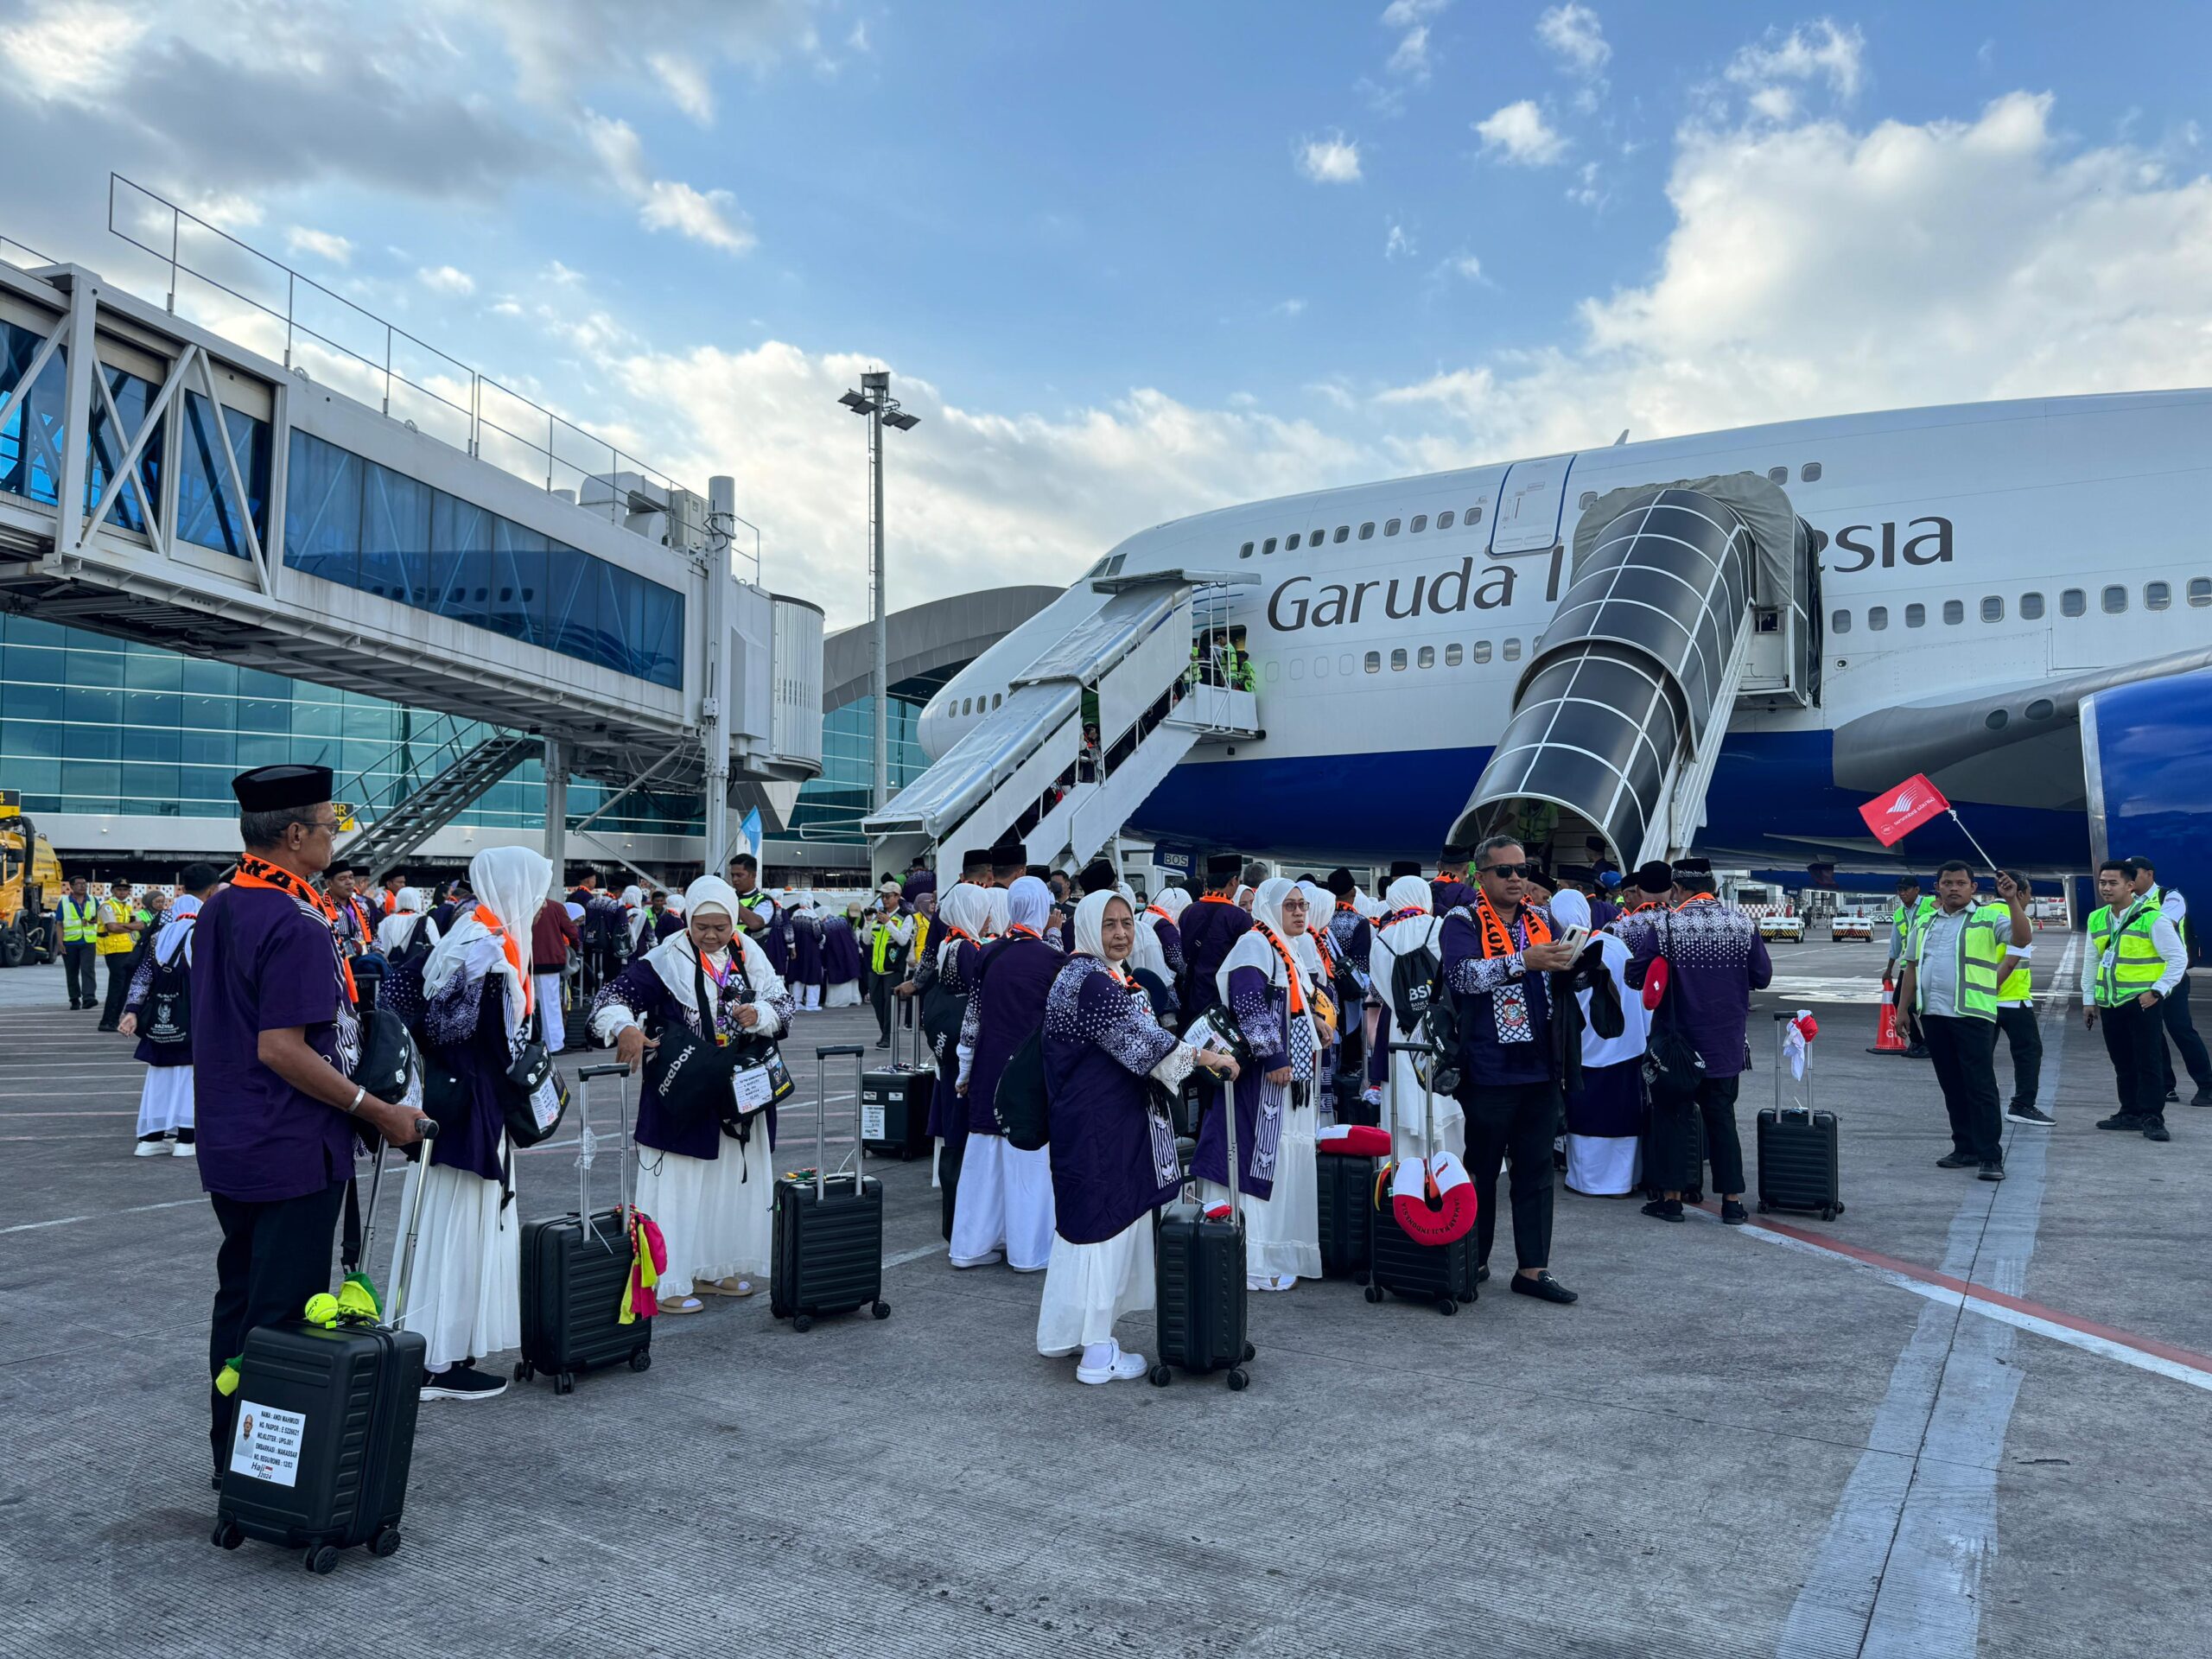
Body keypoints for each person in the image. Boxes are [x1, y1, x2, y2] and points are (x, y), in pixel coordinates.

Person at [195, 765, 423, 1478]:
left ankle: (230, 1450)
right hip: (290, 1147)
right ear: (294, 836)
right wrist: (378, 1111)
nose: (336, 836)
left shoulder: (226, 903)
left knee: (241, 1300)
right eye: (330, 826)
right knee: (283, 1315)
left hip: (233, 1141)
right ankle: (266, 1470)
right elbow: (283, 1048)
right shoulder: (293, 921)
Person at [1037, 889, 1240, 1383]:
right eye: (1109, 924)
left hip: (1093, 1122)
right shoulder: (1092, 982)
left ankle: (1077, 1333)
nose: (1122, 933)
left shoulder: (1083, 973)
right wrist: (1208, 1057)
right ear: (1088, 927)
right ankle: (1098, 1352)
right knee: (1105, 1228)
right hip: (1101, 1127)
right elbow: (1144, 1044)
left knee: (1085, 1228)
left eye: (1127, 923)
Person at [393, 845, 555, 1399]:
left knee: (445, 1224)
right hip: (475, 1110)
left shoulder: (466, 934)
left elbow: (406, 1000)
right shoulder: (490, 951)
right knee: (463, 1228)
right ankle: (441, 1360)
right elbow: (487, 1041)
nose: (539, 906)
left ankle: (433, 1350)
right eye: (536, 893)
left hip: (451, 1106)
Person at [591, 875, 794, 1313]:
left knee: (728, 1180)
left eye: (721, 926)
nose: (711, 935)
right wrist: (624, 1026)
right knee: (680, 1183)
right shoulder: (665, 959)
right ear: (688, 920)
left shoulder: (747, 952)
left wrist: (757, 1013)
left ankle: (713, 1268)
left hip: (738, 1090)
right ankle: (669, 1280)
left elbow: (783, 1003)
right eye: (702, 926)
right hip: (683, 1090)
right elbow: (611, 996)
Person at [1440, 836, 1580, 1303]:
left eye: (1523, 869)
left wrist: (1577, 964)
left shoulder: (1541, 919)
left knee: (1536, 1170)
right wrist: (1524, 961)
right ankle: (1473, 1260)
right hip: (1488, 1068)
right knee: (1480, 1169)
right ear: (1481, 876)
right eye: (1506, 871)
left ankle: (1532, 1269)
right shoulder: (1461, 921)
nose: (1518, 877)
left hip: (1540, 1066)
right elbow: (1462, 977)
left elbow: (1559, 972)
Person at [1621, 858, 1773, 1220]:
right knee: (1722, 1118)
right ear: (1714, 888)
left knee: (1672, 1117)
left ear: (1677, 889)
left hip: (1677, 1046)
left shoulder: (1665, 923)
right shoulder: (1741, 923)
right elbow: (1762, 976)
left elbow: (1634, 978)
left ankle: (1672, 1199)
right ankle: (1732, 1203)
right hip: (1725, 1044)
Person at [1194, 877, 1322, 1290]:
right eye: (1290, 906)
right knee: (1256, 1159)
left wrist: (1315, 1023)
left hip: (1286, 1084)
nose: (1299, 912)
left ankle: (1277, 1251)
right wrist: (1274, 1055)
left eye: (1303, 905)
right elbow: (1246, 1001)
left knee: (1278, 1161)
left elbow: (1292, 1004)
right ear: (1269, 907)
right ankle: (1254, 1258)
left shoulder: (1291, 949)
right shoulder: (1255, 943)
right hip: (1262, 1081)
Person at [951, 875, 1062, 1272]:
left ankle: (971, 1245)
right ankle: (1028, 1251)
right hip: (1030, 1073)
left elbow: (972, 1018)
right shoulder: (1053, 959)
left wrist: (964, 1069)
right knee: (1028, 1163)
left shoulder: (988, 953)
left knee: (984, 1161)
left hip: (988, 1066)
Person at [1897, 861, 2030, 1178]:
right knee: (1952, 1085)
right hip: (1934, 1015)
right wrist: (1903, 1010)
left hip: (1972, 1014)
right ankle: (1965, 1147)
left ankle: (1990, 1155)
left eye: (1960, 882)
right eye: (1947, 882)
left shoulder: (1989, 917)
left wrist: (2012, 900)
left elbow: (2022, 940)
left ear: (1973, 888)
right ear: (1938, 888)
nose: (1953, 887)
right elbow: (1912, 967)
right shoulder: (1925, 922)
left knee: (1980, 1086)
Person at [1550, 888, 1649, 1196]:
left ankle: (1588, 1182)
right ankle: (1624, 1180)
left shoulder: (1573, 954)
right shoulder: (1616, 944)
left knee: (1587, 1118)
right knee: (1623, 1118)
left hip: (1588, 1051)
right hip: (1628, 1048)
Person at [2082, 858, 2190, 1141]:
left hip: (2142, 1002)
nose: (2106, 888)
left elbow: (2178, 958)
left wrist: (2158, 990)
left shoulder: (2153, 918)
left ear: (2130, 886)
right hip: (2111, 1002)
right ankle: (2129, 1112)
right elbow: (2091, 963)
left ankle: (2153, 1116)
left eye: (2112, 883)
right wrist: (2088, 1000)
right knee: (2122, 1062)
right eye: (2102, 882)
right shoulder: (2097, 918)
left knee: (2148, 1061)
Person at [121, 862, 220, 1158]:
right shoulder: (205, 930)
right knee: (190, 1076)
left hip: (160, 1018)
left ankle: (150, 1139)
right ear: (212, 891)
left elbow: (142, 976)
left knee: (160, 1076)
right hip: (193, 1017)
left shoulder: (159, 934)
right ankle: (186, 1140)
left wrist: (131, 1010)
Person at [1367, 872, 1462, 1154]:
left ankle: (1407, 1174)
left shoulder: (1381, 939)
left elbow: (1378, 991)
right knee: (1445, 1098)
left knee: (1406, 1096)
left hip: (1402, 1029)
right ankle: (1451, 1175)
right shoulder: (1441, 926)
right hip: (1443, 1025)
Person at [2127, 855, 2212, 1106]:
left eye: (2135, 872)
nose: (2130, 878)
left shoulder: (2170, 898)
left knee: (2180, 1029)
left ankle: (2206, 1084)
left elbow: (2164, 924)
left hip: (2171, 976)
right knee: (2151, 1034)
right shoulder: (2128, 902)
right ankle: (2166, 1086)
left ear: (2149, 874)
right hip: (2142, 977)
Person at [1994, 868, 2050, 1127]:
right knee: (2029, 1052)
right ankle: (2023, 1104)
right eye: (2029, 894)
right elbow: (2012, 960)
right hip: (2012, 998)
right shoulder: (2019, 920)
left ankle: (1979, 1105)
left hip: (1980, 1001)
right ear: (2021, 893)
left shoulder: (1982, 914)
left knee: (1979, 1058)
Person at [1178, 854, 1253, 1025]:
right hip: (1221, 1001)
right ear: (1234, 881)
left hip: (1192, 996)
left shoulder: (1189, 911)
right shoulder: (1240, 918)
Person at [1885, 875, 1937, 1058]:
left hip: (1928, 962)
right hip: (1909, 965)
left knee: (1919, 1004)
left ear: (1917, 890)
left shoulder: (1930, 903)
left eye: (1906, 889)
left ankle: (1930, 1042)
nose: (1902, 893)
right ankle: (1918, 1041)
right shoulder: (1899, 913)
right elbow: (1896, 943)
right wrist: (1889, 968)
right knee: (1900, 1001)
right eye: (1900, 889)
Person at [530, 888, 582, 1052]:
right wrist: (574, 949)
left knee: (527, 1003)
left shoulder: (522, 905)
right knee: (550, 1002)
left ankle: (530, 1042)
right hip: (550, 960)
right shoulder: (555, 907)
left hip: (526, 961)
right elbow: (572, 932)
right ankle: (554, 1044)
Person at [865, 879, 914, 1047]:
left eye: (888, 896)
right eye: (883, 896)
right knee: (877, 1002)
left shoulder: (906, 917)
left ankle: (888, 1036)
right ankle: (885, 1033)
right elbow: (866, 940)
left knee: (890, 1005)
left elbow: (902, 940)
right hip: (876, 968)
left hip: (893, 969)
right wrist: (867, 922)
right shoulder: (879, 916)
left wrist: (888, 923)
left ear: (897, 897)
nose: (885, 899)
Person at [96, 878, 146, 1031]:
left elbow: (142, 925)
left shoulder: (126, 907)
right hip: (114, 949)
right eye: (119, 890)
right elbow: (112, 927)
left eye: (125, 890)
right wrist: (131, 927)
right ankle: (107, 1020)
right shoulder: (107, 907)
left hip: (127, 949)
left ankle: (114, 1019)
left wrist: (124, 926)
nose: (122, 892)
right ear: (113, 891)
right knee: (117, 986)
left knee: (125, 986)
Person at [57, 874, 98, 1010]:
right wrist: (60, 942)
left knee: (88, 970)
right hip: (70, 942)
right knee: (72, 972)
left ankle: (89, 997)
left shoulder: (92, 899)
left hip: (88, 940)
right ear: (72, 886)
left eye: (85, 883)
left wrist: (93, 920)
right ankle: (74, 998)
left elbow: (100, 917)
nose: (83, 886)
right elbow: (59, 923)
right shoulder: (64, 902)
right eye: (79, 884)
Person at [374, 886, 440, 959]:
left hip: (389, 968)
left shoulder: (385, 922)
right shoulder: (427, 921)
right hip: (417, 968)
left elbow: (379, 949)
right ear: (417, 900)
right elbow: (437, 949)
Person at [821, 901, 864, 1007]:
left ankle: (837, 1001)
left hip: (836, 953)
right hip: (850, 951)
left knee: (839, 974)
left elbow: (823, 941)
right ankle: (854, 998)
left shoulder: (824, 924)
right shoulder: (843, 920)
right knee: (851, 974)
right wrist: (858, 947)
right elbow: (853, 935)